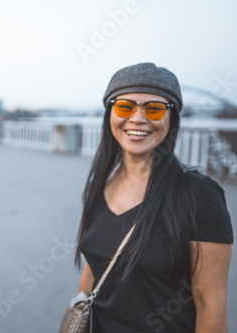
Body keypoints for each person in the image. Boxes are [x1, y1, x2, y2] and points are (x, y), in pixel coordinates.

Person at [73, 63, 233, 332]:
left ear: (172, 120)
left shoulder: (198, 196)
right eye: (125, 106)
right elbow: (94, 266)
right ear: (110, 113)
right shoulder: (100, 185)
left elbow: (211, 305)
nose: (137, 118)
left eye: (154, 108)